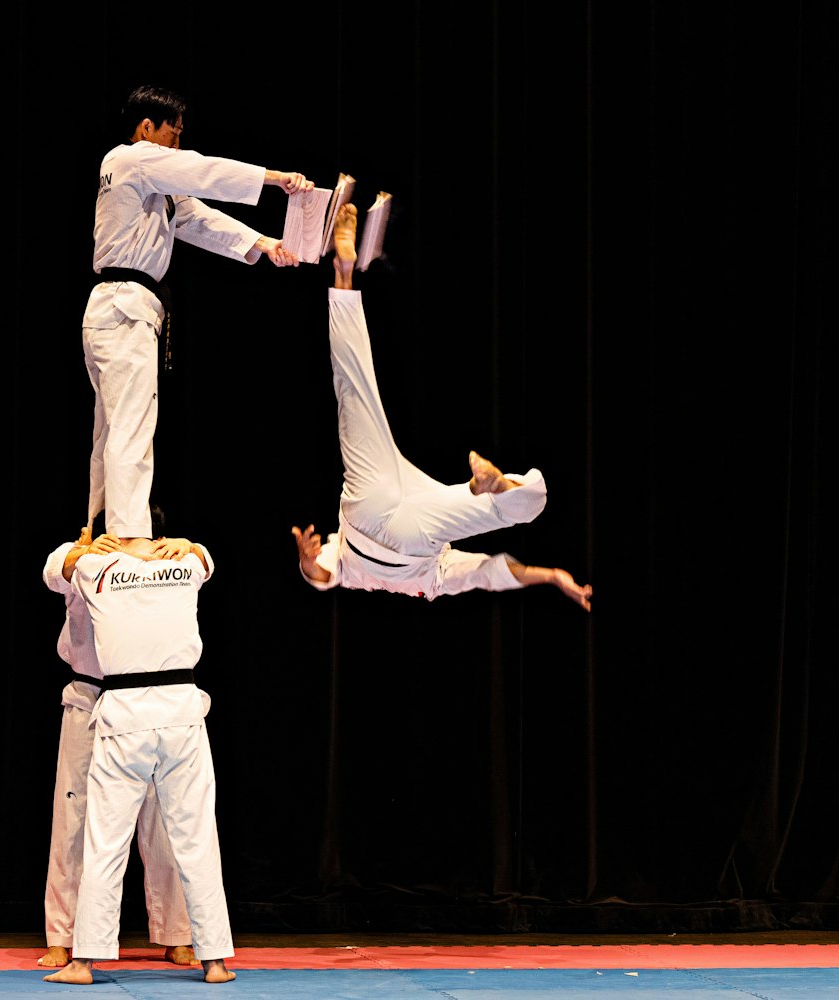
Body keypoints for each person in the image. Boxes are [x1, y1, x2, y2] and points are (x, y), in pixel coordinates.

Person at [291, 204, 592, 610]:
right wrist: (551, 576)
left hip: (398, 527)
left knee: (510, 509)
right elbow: (489, 574)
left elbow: (323, 574)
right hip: (378, 514)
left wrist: (309, 564)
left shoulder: (425, 582)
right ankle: (342, 272)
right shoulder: (419, 578)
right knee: (353, 392)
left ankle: (498, 490)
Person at [85, 83, 314, 539]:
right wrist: (275, 178)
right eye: (174, 132)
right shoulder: (129, 158)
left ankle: (96, 528)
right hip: (123, 304)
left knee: (112, 429)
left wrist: (266, 245)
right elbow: (200, 170)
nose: (178, 142)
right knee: (130, 425)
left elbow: (197, 218)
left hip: (120, 307)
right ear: (146, 127)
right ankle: (128, 537)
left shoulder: (151, 182)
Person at [43, 522, 234, 986]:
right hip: (176, 710)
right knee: (196, 836)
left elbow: (60, 567)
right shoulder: (183, 563)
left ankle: (85, 960)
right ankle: (217, 962)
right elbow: (207, 560)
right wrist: (191, 546)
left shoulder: (95, 566)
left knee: (107, 840)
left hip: (125, 712)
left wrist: (84, 551)